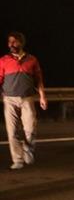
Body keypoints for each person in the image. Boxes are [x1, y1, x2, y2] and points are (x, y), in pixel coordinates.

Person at [2, 31, 47, 170]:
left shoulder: (32, 59)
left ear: (21, 43)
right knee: (12, 131)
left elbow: (39, 79)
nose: (11, 44)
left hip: (27, 98)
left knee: (31, 127)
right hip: (9, 99)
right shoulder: (3, 60)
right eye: (9, 42)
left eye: (14, 41)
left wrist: (42, 96)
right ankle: (18, 159)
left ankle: (27, 148)